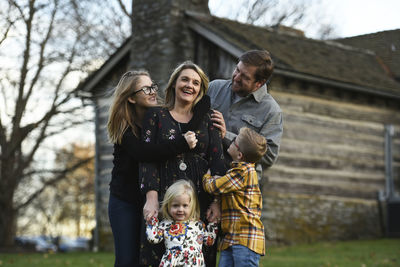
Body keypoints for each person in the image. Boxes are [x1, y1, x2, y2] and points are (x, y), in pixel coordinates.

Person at [107, 70, 198, 267]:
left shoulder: (161, 119)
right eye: (146, 88)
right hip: (126, 201)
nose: (152, 91)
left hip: (157, 198)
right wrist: (181, 143)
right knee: (127, 260)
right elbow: (145, 153)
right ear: (131, 98)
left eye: (153, 86)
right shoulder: (125, 128)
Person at [139, 61, 227, 266]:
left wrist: (217, 202)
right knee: (154, 253)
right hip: (164, 196)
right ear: (174, 84)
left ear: (200, 90)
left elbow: (217, 160)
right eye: (185, 79)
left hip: (199, 200)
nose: (190, 85)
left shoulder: (208, 118)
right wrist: (151, 198)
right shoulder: (156, 115)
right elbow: (147, 158)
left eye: (196, 83)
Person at [208, 49, 283, 186]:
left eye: (245, 77)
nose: (236, 77)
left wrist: (227, 136)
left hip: (237, 189)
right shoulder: (214, 87)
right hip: (203, 175)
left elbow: (269, 156)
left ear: (259, 83)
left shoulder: (271, 111)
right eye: (237, 70)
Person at [203, 127, 267, 267]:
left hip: (245, 240)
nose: (230, 141)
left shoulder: (243, 172)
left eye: (234, 141)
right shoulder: (236, 172)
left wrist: (207, 176)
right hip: (231, 238)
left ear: (239, 155)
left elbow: (213, 186)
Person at [146, 180, 218, 267]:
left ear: (192, 206)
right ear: (168, 206)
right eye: (175, 205)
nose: (180, 209)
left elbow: (209, 241)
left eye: (185, 205)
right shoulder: (166, 224)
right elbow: (153, 238)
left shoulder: (198, 224)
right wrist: (152, 220)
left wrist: (213, 224)